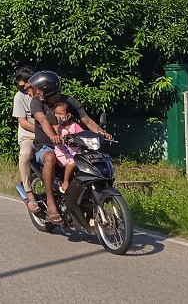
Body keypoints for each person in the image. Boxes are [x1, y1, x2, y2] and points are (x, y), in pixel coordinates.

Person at [26, 70, 113, 223]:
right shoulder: (37, 102)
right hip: (46, 145)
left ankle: (86, 200)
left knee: (90, 161)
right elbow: (42, 120)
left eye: (39, 89)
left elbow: (86, 121)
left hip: (70, 145)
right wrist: (52, 135)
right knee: (50, 158)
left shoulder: (70, 102)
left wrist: (101, 132)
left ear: (46, 90)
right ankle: (51, 203)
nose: (37, 93)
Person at [11, 66, 39, 212]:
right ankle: (29, 193)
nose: (23, 87)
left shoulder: (42, 93)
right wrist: (41, 131)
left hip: (49, 138)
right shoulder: (19, 97)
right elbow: (23, 122)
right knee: (25, 155)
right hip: (29, 138)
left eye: (26, 83)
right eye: (20, 85)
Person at [52, 101, 83, 193]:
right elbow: (53, 134)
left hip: (75, 152)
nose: (58, 116)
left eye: (60, 114)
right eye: (56, 113)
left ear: (68, 116)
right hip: (62, 153)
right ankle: (65, 182)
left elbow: (82, 134)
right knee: (73, 161)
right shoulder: (56, 127)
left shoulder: (74, 126)